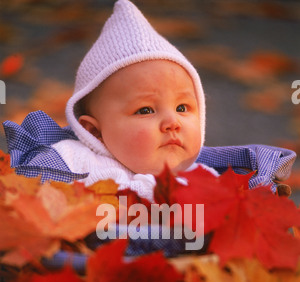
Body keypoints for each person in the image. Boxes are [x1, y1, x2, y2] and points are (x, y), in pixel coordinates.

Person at [2, 0, 296, 201]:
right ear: (93, 131)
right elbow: (28, 188)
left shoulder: (208, 178)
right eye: (145, 110)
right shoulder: (74, 164)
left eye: (183, 107)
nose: (172, 122)